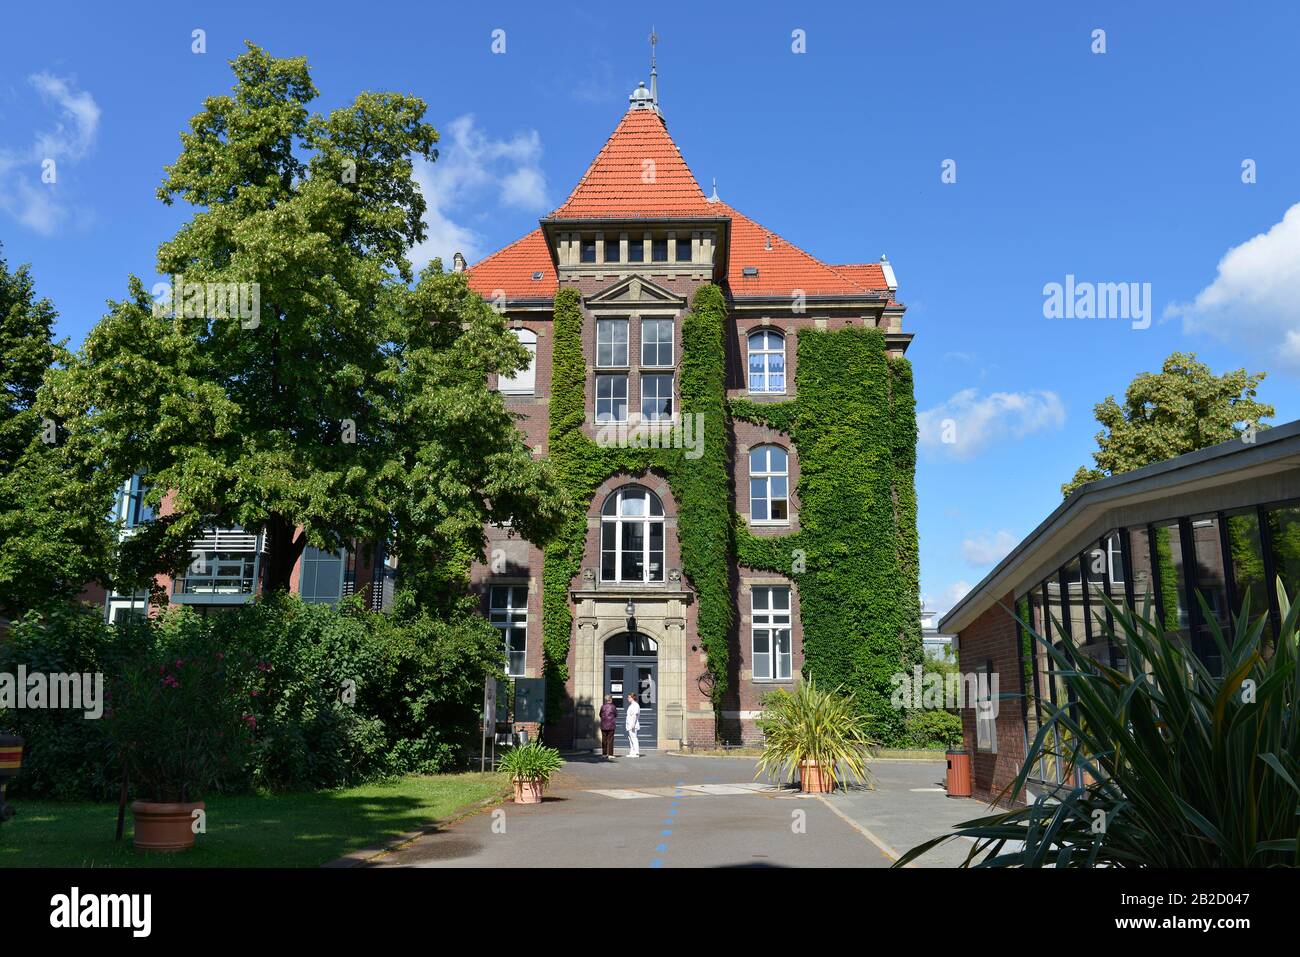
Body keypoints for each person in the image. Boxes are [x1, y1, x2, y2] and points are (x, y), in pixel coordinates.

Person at [599, 695, 617, 759]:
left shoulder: (603, 706)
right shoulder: (613, 707)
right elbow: (615, 714)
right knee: (610, 740)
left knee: (604, 739)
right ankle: (610, 754)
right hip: (611, 725)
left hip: (603, 725)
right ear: (610, 699)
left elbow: (600, 714)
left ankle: (604, 754)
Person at [625, 692, 642, 757]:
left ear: (633, 698)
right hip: (629, 724)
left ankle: (636, 752)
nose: (628, 698)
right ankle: (632, 752)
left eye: (629, 697)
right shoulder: (631, 705)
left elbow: (635, 715)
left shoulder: (635, 705)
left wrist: (632, 724)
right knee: (631, 738)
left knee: (634, 738)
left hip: (633, 724)